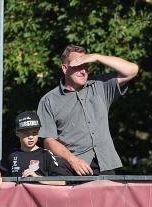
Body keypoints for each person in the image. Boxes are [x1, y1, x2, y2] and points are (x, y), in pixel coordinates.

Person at [37, 44, 139, 176]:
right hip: (75, 169)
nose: (83, 71)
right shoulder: (49, 100)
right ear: (64, 68)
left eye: (86, 66)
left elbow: (132, 70)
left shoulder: (100, 86)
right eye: (78, 66)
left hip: (106, 164)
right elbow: (48, 140)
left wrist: (97, 57)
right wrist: (72, 160)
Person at [0, 111, 70, 191]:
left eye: (34, 133)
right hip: (18, 201)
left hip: (40, 202)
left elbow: (62, 181)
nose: (31, 137)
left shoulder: (46, 154)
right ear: (17, 133)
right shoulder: (12, 154)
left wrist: (37, 178)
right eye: (26, 133)